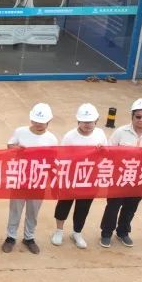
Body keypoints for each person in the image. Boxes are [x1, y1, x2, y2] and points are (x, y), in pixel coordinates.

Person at [100, 98, 142, 248]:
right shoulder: (120, 132)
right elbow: (109, 151)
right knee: (113, 205)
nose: (141, 120)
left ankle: (123, 232)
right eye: (138, 116)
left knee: (131, 206)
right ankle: (106, 233)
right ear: (132, 116)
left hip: (140, 178)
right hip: (120, 177)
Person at [3, 103, 58, 255]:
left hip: (38, 181)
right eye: (35, 121)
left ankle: (29, 237)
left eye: (42, 122)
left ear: (49, 121)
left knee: (33, 211)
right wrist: (16, 149)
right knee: (15, 209)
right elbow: (9, 145)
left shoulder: (51, 139)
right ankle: (10, 237)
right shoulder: (20, 132)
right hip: (20, 178)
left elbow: (53, 161)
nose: (38, 124)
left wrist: (54, 182)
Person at [51, 104, 107, 249]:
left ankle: (77, 233)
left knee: (83, 207)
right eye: (84, 121)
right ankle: (59, 231)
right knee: (64, 205)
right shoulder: (70, 136)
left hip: (90, 178)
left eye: (90, 121)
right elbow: (61, 156)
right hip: (71, 177)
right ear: (78, 121)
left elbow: (107, 154)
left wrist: (102, 151)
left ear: (96, 121)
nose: (87, 125)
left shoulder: (100, 134)